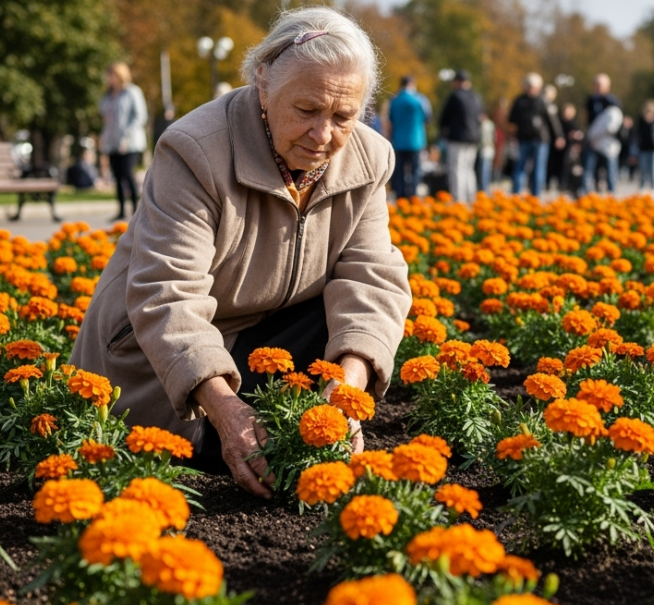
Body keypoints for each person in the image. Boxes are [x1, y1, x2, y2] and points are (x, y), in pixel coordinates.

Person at [71, 7, 411, 499]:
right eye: (307, 110)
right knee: (236, 453)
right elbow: (168, 295)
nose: (323, 135)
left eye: (343, 117)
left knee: (353, 323)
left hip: (260, 338)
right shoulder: (195, 149)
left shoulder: (369, 158)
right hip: (156, 367)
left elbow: (372, 279)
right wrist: (227, 412)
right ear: (263, 85)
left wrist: (348, 388)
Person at [99, 62, 149, 221]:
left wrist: (126, 138)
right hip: (112, 143)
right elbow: (105, 119)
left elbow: (140, 117)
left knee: (128, 174)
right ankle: (121, 210)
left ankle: (136, 210)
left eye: (112, 75)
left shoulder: (132, 92)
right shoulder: (108, 95)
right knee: (118, 176)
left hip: (130, 143)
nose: (109, 78)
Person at [438, 70, 482, 203]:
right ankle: (471, 197)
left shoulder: (456, 96)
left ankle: (459, 198)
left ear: (457, 82)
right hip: (473, 138)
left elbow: (444, 118)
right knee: (469, 169)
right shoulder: (476, 97)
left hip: (457, 138)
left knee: (457, 169)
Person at [507, 73, 551, 196]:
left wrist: (559, 136)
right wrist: (511, 136)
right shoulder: (520, 101)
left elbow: (551, 120)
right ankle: (516, 194)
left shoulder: (542, 100)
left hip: (540, 139)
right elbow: (512, 121)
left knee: (538, 168)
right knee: (520, 167)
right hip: (523, 138)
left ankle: (536, 195)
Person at [387, 75, 430, 199]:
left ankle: (401, 196)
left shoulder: (394, 100)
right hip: (416, 140)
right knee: (415, 170)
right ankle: (413, 196)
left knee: (400, 170)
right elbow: (427, 117)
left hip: (399, 140)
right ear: (412, 84)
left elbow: (391, 120)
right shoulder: (420, 99)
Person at [582, 73, 621, 194]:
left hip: (606, 141)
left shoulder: (612, 101)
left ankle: (611, 194)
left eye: (600, 85)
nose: (598, 87)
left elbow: (615, 122)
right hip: (592, 140)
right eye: (596, 84)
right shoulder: (590, 100)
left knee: (610, 168)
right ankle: (587, 193)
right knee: (588, 168)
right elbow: (587, 119)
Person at [477, 113, 497, 192]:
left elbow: (483, 138)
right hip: (490, 149)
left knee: (483, 170)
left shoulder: (484, 125)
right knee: (487, 170)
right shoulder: (491, 124)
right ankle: (485, 187)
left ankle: (483, 188)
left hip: (485, 149)